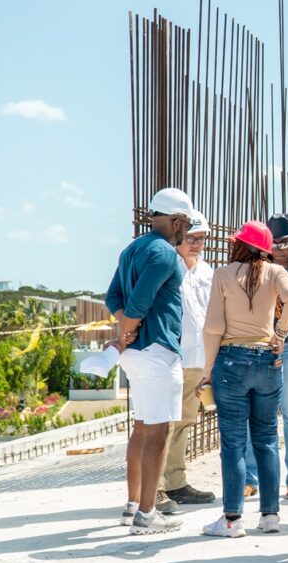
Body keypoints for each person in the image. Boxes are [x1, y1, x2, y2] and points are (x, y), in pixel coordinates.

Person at [198, 221, 288, 538]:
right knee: (267, 439)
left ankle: (232, 520)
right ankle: (270, 516)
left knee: (233, 444)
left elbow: (213, 327)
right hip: (268, 360)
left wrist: (207, 372)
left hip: (231, 362)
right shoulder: (275, 272)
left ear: (239, 245)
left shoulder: (224, 274)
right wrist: (281, 332)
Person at [105, 187, 194, 535]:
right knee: (159, 431)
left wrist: (124, 330)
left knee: (141, 428)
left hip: (138, 355)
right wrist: (128, 329)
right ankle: (146, 514)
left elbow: (112, 296)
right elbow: (141, 303)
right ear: (174, 220)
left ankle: (132, 506)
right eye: (185, 223)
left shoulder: (132, 249)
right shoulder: (165, 254)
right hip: (157, 350)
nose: (186, 230)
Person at [242, 213, 288, 500]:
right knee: (256, 415)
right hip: (262, 344)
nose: (282, 249)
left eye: (287, 242)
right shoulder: (255, 272)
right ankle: (250, 478)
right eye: (276, 243)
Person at [159, 209, 217, 509]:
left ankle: (176, 482)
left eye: (201, 239)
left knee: (184, 422)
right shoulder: (167, 266)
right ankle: (155, 486)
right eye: (191, 238)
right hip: (171, 357)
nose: (196, 244)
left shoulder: (208, 273)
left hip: (199, 358)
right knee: (161, 422)